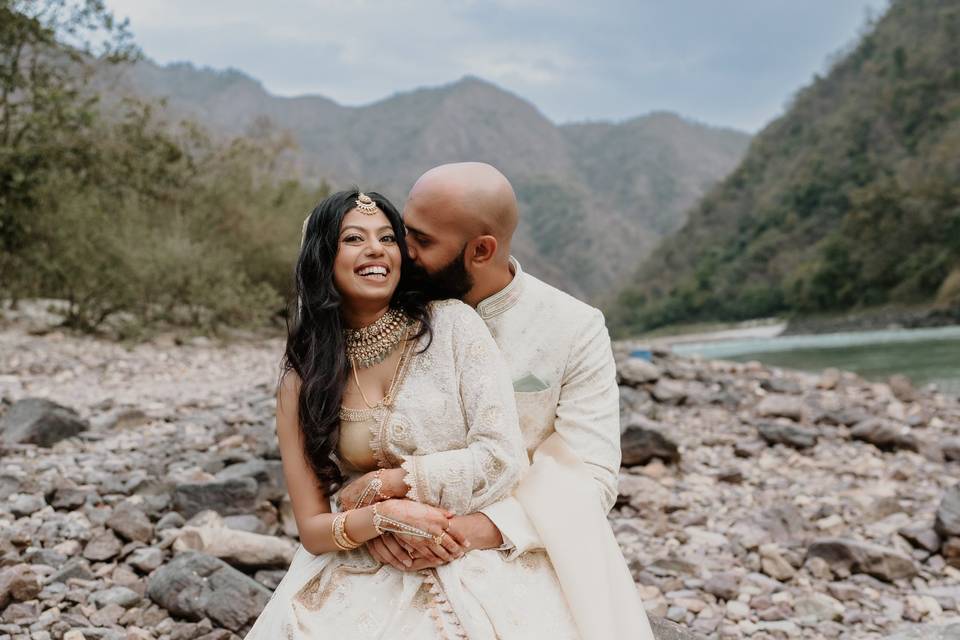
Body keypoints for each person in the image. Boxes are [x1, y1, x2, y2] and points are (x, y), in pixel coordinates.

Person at [244, 189, 581, 639]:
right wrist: (382, 520)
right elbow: (312, 527)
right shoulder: (302, 379)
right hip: (365, 556)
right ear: (322, 259)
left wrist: (392, 485)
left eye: (387, 237)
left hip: (464, 548)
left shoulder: (452, 326)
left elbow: (501, 458)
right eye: (353, 239)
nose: (375, 250)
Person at [362, 162, 655, 640]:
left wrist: (480, 529)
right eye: (403, 233)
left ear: (481, 250)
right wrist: (372, 517)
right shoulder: (381, 308)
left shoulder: (574, 327)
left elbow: (594, 474)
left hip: (515, 543)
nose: (403, 253)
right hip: (388, 537)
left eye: (423, 241)